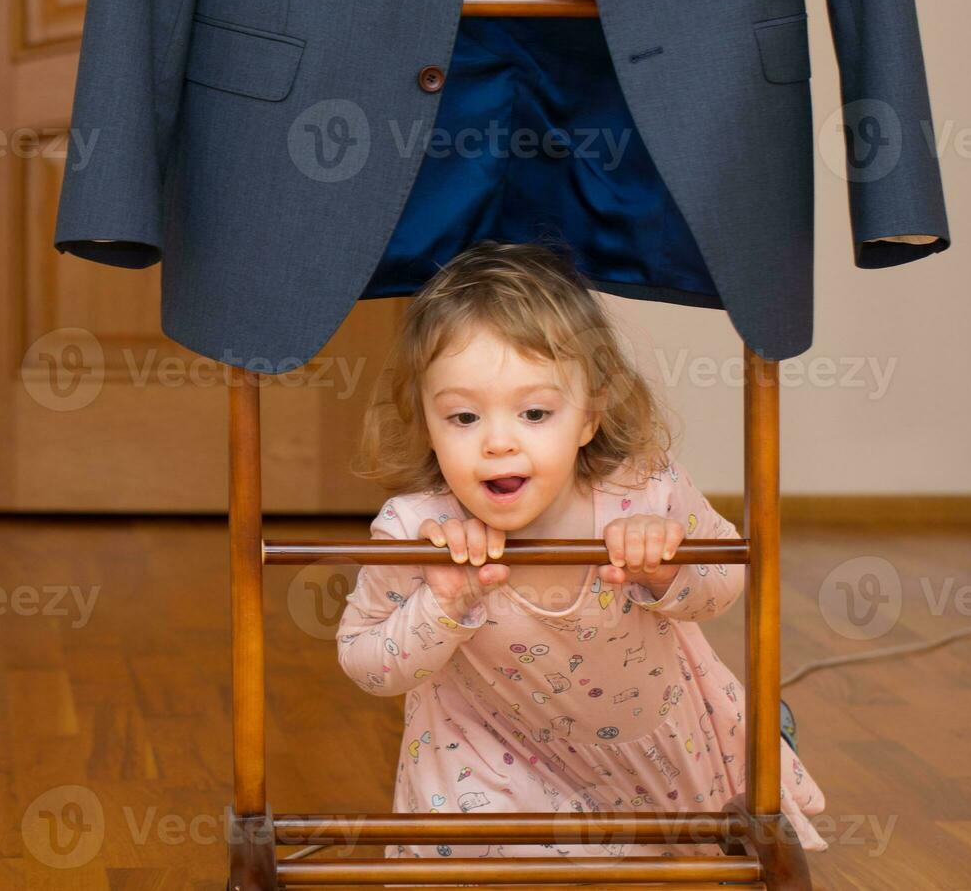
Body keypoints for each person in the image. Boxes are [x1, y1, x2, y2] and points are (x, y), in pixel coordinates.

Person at [338, 239, 828, 859]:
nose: (497, 443)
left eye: (535, 413)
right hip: (490, 754)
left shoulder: (641, 490)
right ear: (427, 423)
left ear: (589, 417)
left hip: (652, 751)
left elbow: (725, 581)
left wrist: (665, 567)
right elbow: (366, 663)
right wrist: (440, 605)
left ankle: (769, 732)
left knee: (689, 858)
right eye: (463, 418)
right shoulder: (417, 532)